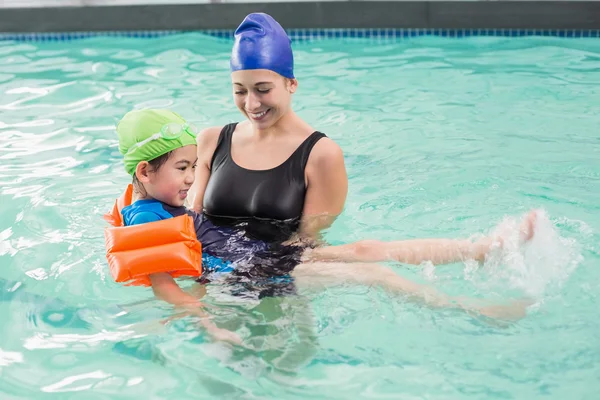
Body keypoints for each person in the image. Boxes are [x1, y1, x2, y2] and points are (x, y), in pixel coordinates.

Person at [113, 109, 537, 345]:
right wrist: (209, 325)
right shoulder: (145, 220)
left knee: (368, 249)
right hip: (248, 274)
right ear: (146, 171)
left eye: (192, 166)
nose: (191, 178)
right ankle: (473, 311)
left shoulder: (161, 202)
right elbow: (165, 285)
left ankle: (481, 249)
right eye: (182, 169)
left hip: (255, 252)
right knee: (376, 271)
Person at [191, 12, 348, 243]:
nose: (251, 104)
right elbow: (190, 221)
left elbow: (307, 242)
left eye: (263, 89)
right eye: (240, 91)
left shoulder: (322, 155)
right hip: (208, 271)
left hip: (276, 273)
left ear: (291, 84)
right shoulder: (211, 141)